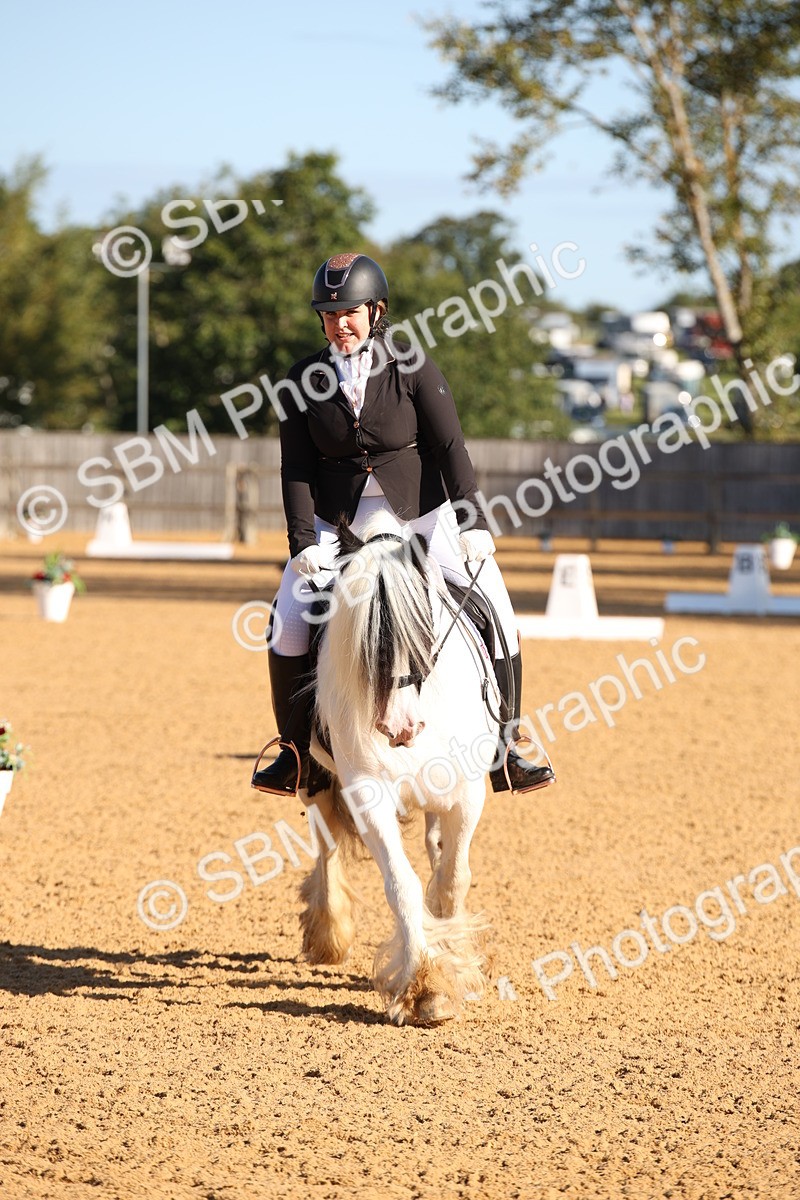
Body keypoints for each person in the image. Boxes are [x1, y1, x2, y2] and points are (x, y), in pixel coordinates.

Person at [251, 252, 555, 797]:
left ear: (376, 311)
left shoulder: (411, 364)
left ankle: (505, 746)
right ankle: (295, 753)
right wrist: (301, 542)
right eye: (328, 313)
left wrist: (473, 520)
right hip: (337, 521)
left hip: (421, 514)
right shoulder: (302, 379)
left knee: (497, 606)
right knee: (290, 622)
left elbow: (449, 446)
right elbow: (295, 467)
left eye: (349, 312)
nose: (338, 323)